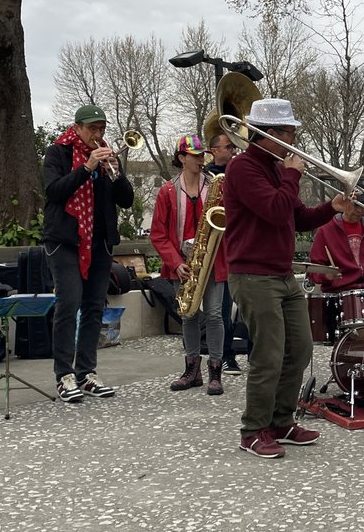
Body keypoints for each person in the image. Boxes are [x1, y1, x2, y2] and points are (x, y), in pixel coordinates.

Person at [224, 98, 346, 458]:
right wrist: (292, 175)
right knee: (269, 355)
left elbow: (298, 219)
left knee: (301, 348)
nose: (294, 140)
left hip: (281, 273)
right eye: (289, 133)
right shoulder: (242, 168)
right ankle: (253, 430)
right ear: (268, 133)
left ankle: (281, 421)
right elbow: (276, 211)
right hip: (252, 274)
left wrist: (332, 208)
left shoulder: (277, 169)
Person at [42, 104, 135, 403]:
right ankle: (64, 374)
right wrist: (87, 168)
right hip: (66, 240)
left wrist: (116, 175)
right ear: (78, 128)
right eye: (92, 128)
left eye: (102, 129)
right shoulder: (58, 152)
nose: (98, 134)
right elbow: (54, 191)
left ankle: (86, 372)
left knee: (95, 306)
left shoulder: (107, 156)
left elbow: (127, 200)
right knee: (69, 303)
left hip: (99, 241)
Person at [150, 135, 228, 395]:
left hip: (213, 258)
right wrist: (175, 263)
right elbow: (158, 234)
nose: (200, 159)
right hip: (183, 263)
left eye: (202, 155)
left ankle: (215, 371)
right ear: (182, 158)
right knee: (188, 314)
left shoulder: (216, 185)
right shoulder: (167, 191)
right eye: (195, 155)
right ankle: (192, 370)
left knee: (214, 315)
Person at [203, 113, 242, 376]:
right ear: (214, 150)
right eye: (228, 146)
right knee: (222, 310)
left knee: (244, 309)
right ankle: (226, 356)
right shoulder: (206, 176)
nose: (233, 150)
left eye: (233, 146)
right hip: (218, 249)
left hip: (239, 244)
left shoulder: (239, 172)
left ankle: (246, 353)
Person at [308, 194, 364, 293]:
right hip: (338, 292)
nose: (360, 210)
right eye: (356, 205)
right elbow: (313, 269)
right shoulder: (325, 230)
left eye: (363, 205)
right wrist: (326, 275)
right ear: (344, 203)